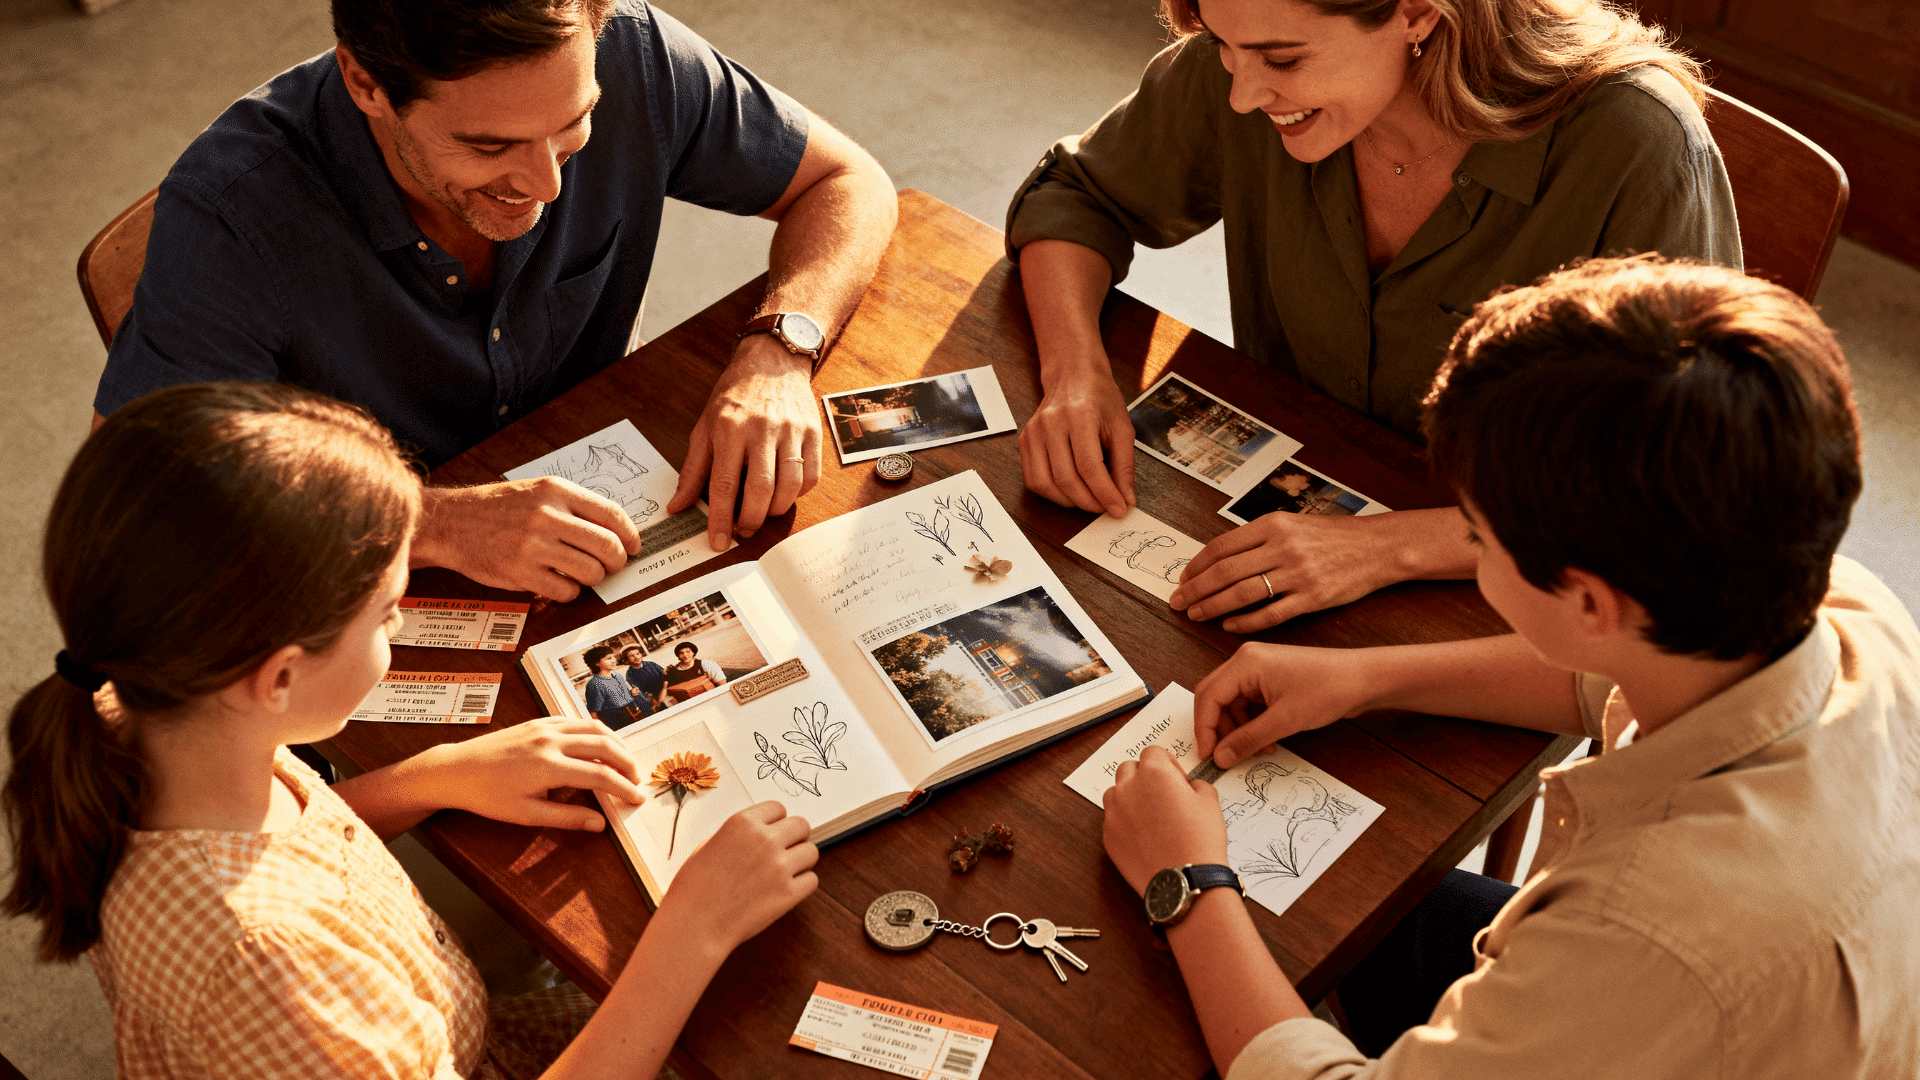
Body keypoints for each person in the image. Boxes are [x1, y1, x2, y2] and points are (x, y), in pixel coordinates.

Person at [1100, 257, 1920, 1078]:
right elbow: (1607, 677)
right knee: (1366, 916)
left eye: (1479, 538)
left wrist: (1188, 882)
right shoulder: (1840, 604)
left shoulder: (1641, 935)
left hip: (1671, 994)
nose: (1470, 548)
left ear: (1589, 602)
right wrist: (1368, 678)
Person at [3, 382, 819, 1078]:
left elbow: (286, 844)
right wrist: (693, 931)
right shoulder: (270, 970)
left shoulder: (149, 710)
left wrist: (438, 775)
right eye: (388, 612)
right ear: (279, 678)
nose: (396, 627)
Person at [92, 0, 898, 601]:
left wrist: (778, 350)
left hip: (611, 518)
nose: (545, 184)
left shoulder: (629, 48)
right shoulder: (230, 212)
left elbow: (847, 183)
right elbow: (140, 502)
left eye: (574, 124)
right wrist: (437, 524)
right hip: (361, 574)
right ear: (366, 83)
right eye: (489, 146)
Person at [1008, 0, 1739, 632]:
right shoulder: (1241, 56)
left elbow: (1685, 485)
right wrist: (1076, 373)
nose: (1242, 95)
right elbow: (1076, 195)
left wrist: (1389, 547)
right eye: (1223, 45)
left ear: (1417, 12)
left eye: (1283, 60)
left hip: (1530, 595)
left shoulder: (1637, 144)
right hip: (1269, 533)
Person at [580, 645, 640, 728]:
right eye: (609, 658)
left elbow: (627, 692)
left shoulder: (617, 675)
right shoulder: (594, 684)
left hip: (635, 712)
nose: (614, 660)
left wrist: (632, 692)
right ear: (596, 663)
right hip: (618, 721)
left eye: (613, 657)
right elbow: (594, 714)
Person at [660, 642, 727, 704]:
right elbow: (666, 695)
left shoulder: (706, 664)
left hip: (712, 699)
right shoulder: (672, 672)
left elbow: (722, 683)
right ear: (678, 657)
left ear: (693, 653)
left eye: (688, 652)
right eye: (681, 653)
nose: (685, 655)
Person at [621, 645, 666, 714]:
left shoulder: (651, 664)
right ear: (627, 660)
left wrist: (666, 672)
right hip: (651, 697)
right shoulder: (630, 674)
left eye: (637, 654)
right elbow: (639, 691)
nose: (636, 657)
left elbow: (664, 675)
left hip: (664, 689)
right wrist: (652, 700)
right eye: (632, 656)